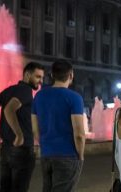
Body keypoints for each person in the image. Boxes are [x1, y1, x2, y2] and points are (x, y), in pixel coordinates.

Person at [0, 61, 44, 192]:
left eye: (42, 78)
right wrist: (19, 135)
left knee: (5, 188)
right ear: (27, 75)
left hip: (6, 149)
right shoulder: (25, 90)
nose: (41, 81)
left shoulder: (10, 90)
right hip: (22, 150)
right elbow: (9, 109)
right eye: (38, 77)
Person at [32, 59, 85, 192]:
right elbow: (79, 133)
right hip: (68, 155)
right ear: (71, 75)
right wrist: (81, 155)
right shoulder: (75, 98)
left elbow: (35, 129)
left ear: (52, 75)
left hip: (46, 154)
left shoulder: (39, 96)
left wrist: (45, 145)